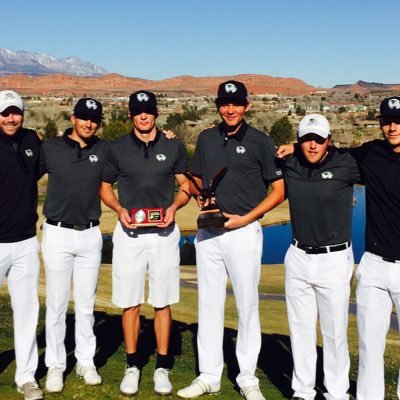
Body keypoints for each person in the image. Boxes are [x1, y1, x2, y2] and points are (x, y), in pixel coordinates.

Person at [177, 80, 285, 400]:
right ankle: (209, 375)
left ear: (247, 106)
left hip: (243, 233)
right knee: (209, 304)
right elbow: (197, 178)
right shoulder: (207, 138)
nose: (230, 109)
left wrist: (247, 218)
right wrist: (201, 198)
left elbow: (278, 191)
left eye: (236, 104)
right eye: (225, 103)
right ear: (218, 106)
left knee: (246, 305)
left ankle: (247, 377)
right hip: (209, 233)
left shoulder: (261, 142)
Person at [100, 90, 190, 396]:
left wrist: (174, 208)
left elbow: (185, 187)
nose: (143, 116)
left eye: (148, 111)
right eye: (138, 111)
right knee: (130, 302)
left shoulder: (173, 146)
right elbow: (105, 188)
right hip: (130, 235)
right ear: (130, 114)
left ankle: (162, 366)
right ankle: (133, 365)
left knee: (162, 301)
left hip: (164, 235)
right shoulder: (117, 148)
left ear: (156, 113)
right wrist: (119, 210)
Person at [277, 114, 361, 400]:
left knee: (334, 331)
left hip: (334, 258)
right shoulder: (289, 162)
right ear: (299, 141)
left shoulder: (347, 163)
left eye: (318, 140)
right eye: (306, 140)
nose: (312, 146)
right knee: (300, 329)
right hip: (298, 255)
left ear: (329, 140)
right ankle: (303, 390)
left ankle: (337, 392)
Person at [40, 98, 107, 393]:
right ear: (73, 118)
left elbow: (137, 148)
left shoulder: (104, 149)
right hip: (57, 233)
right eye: (83, 118)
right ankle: (55, 365)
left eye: (93, 119)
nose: (88, 123)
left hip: (91, 234)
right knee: (55, 304)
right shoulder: (51, 148)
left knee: (85, 304)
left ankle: (85, 360)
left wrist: (167, 136)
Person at [350, 97, 400, 400]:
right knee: (369, 344)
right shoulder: (371, 153)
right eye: (386, 121)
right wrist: (292, 146)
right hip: (373, 264)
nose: (392, 127)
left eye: (398, 121)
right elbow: (330, 154)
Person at [0, 90, 43, 400]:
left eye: (15, 112)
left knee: (27, 311)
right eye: (4, 113)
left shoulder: (32, 141)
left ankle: (26, 377)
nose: (10, 118)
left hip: (26, 241)